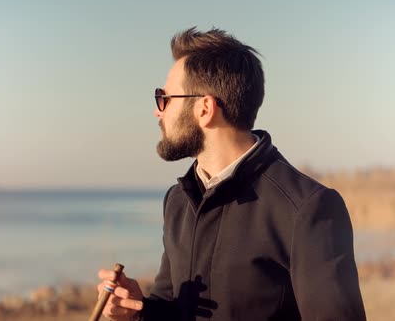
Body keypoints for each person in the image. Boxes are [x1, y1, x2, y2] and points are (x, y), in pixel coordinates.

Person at [97, 27, 366, 321]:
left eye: (164, 98)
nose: (158, 111)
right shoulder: (177, 200)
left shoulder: (307, 208)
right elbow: (172, 305)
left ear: (204, 109)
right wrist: (139, 310)